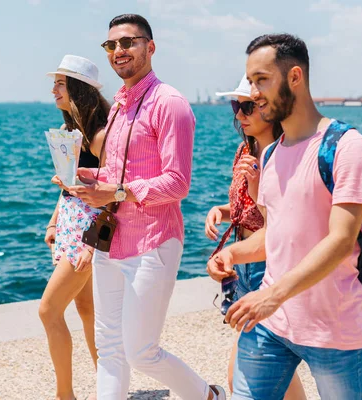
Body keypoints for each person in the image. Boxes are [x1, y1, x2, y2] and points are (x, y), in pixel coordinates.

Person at [61, 13, 226, 400]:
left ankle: (209, 396)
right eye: (111, 45)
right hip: (110, 241)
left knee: (140, 352)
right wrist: (88, 179)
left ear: (150, 47)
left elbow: (177, 182)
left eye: (128, 42)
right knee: (110, 350)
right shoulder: (118, 106)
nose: (119, 51)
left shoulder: (170, 104)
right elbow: (117, 175)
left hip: (153, 242)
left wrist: (114, 193)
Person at [207, 33, 362, 400]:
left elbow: (341, 239)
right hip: (271, 324)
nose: (253, 93)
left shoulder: (347, 146)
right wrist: (232, 254)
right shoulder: (270, 156)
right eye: (251, 81)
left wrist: (273, 295)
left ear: (295, 77)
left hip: (333, 331)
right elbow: (276, 235)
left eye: (262, 80)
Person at [205, 75, 306, 399]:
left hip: (269, 264)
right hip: (245, 266)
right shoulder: (245, 150)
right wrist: (220, 212)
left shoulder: (285, 156)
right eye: (237, 105)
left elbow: (287, 223)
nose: (239, 114)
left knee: (248, 374)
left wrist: (257, 188)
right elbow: (242, 208)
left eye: (247, 106)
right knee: (270, 369)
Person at [40, 54, 109, 400]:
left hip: (87, 235)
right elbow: (69, 186)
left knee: (48, 310)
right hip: (70, 227)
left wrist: (90, 245)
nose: (53, 89)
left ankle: (64, 395)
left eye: (60, 83)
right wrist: (54, 221)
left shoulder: (99, 136)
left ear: (77, 89)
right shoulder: (73, 131)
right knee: (86, 310)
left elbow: (113, 197)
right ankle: (109, 387)